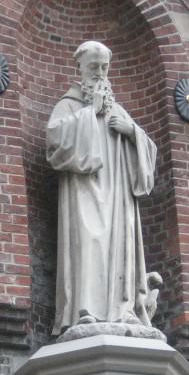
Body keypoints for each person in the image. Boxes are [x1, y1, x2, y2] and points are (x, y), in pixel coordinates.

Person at [46, 41, 160, 336]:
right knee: (88, 243)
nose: (99, 73)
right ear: (80, 68)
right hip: (83, 192)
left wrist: (132, 132)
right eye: (93, 66)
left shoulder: (118, 110)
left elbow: (148, 159)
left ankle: (123, 310)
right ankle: (85, 309)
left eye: (104, 67)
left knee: (119, 247)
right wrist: (90, 113)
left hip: (118, 197)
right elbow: (55, 144)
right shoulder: (68, 105)